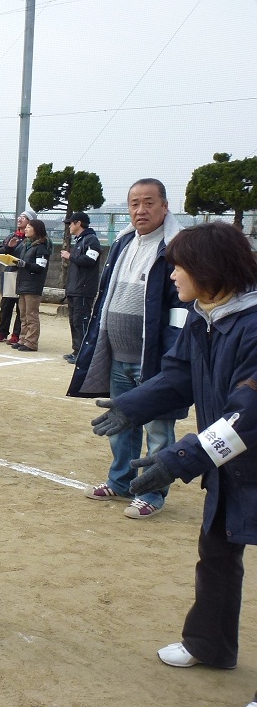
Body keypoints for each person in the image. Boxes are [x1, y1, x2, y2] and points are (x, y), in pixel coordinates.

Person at [88, 221, 257, 673]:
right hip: (231, 465)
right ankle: (209, 645)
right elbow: (179, 375)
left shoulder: (253, 325)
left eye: (180, 266)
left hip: (245, 454)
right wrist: (132, 406)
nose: (173, 275)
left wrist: (180, 458)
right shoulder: (205, 315)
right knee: (217, 556)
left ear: (209, 269)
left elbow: (248, 416)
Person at [69, 177, 187, 519]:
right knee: (121, 426)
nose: (141, 210)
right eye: (135, 203)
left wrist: (170, 360)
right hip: (118, 357)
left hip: (155, 360)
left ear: (165, 206)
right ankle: (120, 482)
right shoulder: (123, 242)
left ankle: (152, 493)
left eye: (149, 203)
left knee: (159, 431)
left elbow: (179, 310)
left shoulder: (176, 248)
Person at [60, 212, 102, 364]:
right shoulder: (80, 240)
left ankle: (85, 355)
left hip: (83, 290)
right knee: (74, 321)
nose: (69, 227)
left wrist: (70, 256)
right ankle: (77, 351)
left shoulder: (91, 239)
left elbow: (90, 260)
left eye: (71, 223)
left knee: (81, 321)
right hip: (75, 289)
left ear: (78, 223)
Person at [0, 208, 33, 343]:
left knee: (21, 306)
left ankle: (16, 334)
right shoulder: (12, 236)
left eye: (24, 217)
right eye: (19, 217)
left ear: (30, 222)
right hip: (10, 272)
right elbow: (0, 250)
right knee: (6, 304)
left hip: (24, 274)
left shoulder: (32, 239)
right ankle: (2, 332)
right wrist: (9, 247)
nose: (19, 219)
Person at [11, 218, 51, 352]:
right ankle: (23, 339)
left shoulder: (41, 247)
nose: (26, 229)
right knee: (23, 315)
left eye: (29, 227)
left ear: (36, 230)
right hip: (23, 283)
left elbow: (40, 267)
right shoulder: (27, 245)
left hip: (33, 286)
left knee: (31, 315)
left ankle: (32, 342)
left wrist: (25, 264)